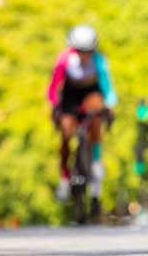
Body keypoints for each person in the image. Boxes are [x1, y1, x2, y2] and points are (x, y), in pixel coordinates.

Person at [48, 24, 118, 213]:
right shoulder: (64, 60)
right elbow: (53, 88)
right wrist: (55, 105)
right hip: (70, 96)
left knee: (96, 117)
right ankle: (64, 179)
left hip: (90, 94)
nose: (84, 55)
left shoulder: (100, 61)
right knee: (66, 132)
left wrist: (110, 105)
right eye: (80, 51)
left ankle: (95, 164)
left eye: (87, 51)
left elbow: (107, 87)